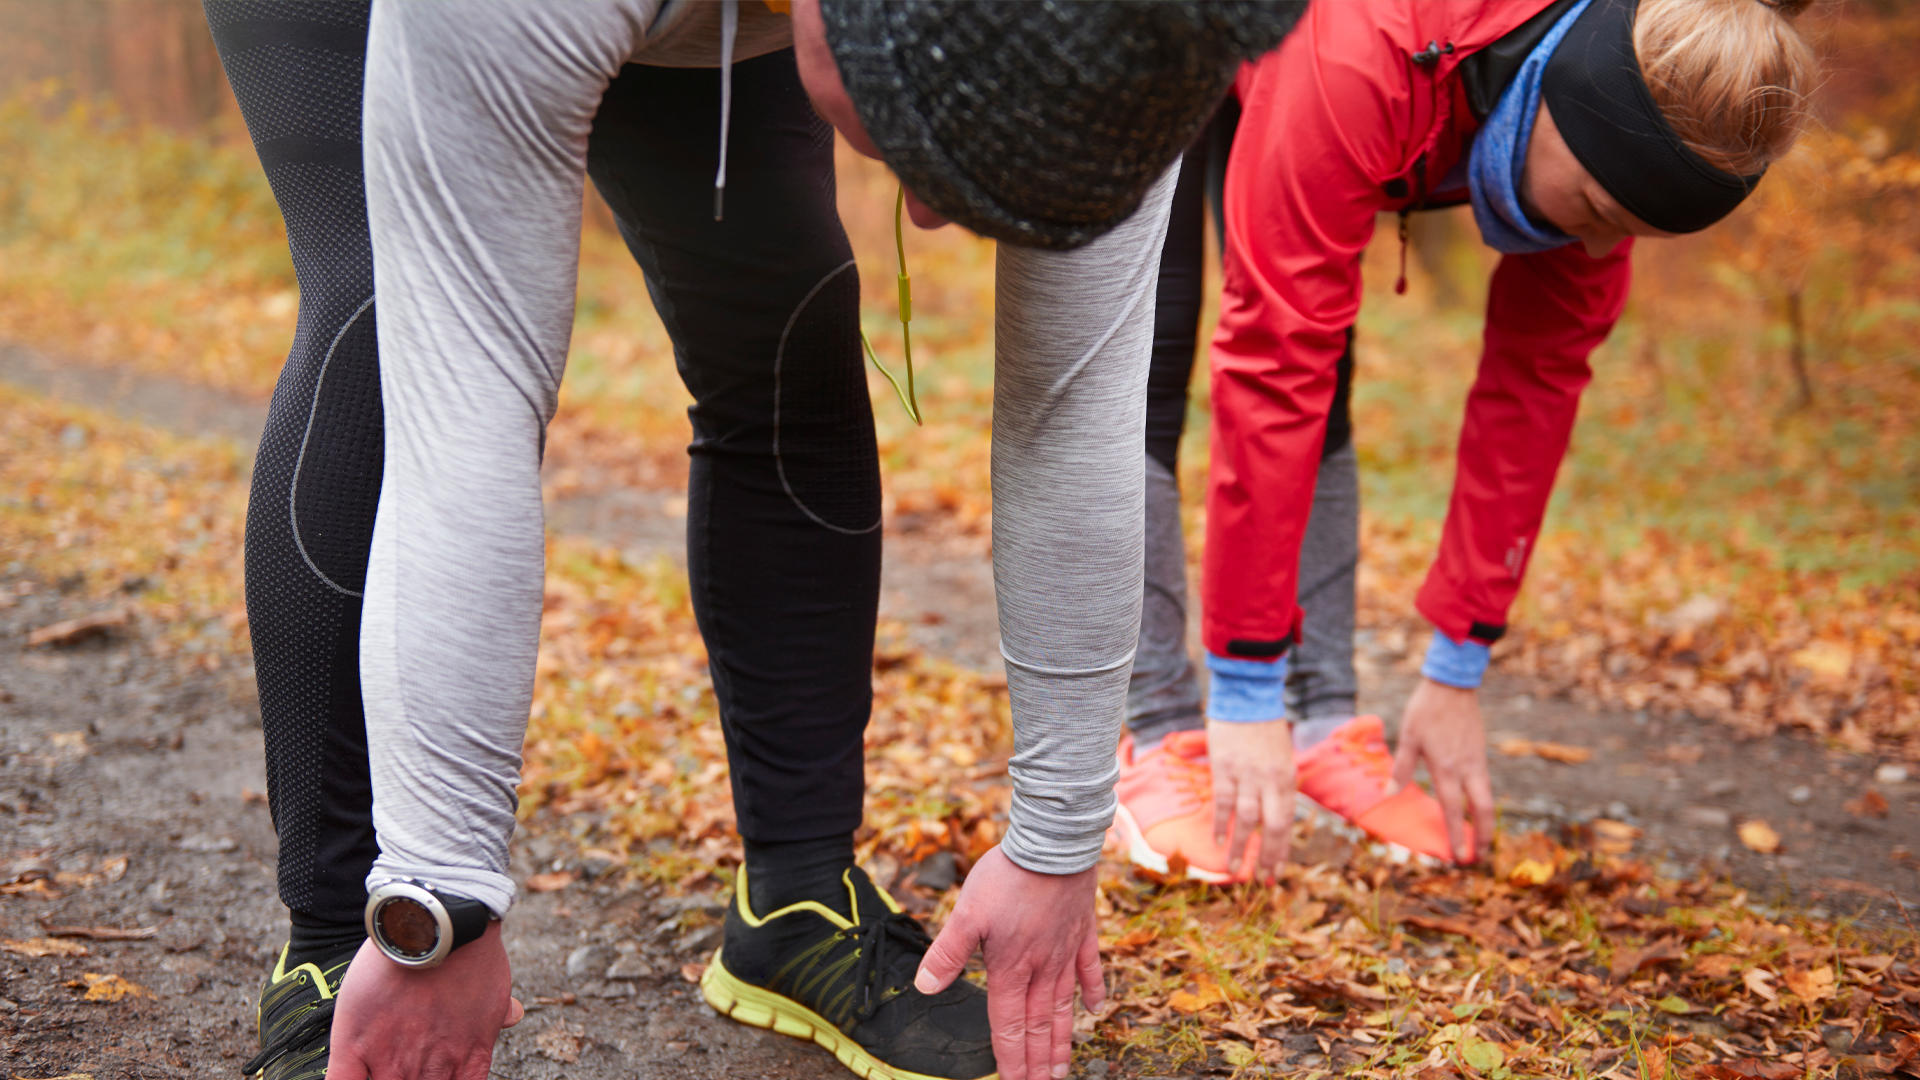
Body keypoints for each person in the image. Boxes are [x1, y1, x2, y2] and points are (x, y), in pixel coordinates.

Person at [204, 3, 1305, 1080]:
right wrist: (434, 905)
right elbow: (468, 413)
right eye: (924, 154)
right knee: (378, 324)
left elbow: (1075, 412)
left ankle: (797, 901)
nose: (927, 214)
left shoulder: (1134, 32)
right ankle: (338, 943)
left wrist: (1060, 843)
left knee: (789, 326)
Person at [1109, 0, 1818, 882]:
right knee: (1146, 354)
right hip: (1167, 30)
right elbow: (1274, 359)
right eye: (1596, 207)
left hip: (1365, 77)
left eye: (1628, 232)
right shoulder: (1365, 61)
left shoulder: (1609, 142)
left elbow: (1532, 398)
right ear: (1558, 97)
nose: (1595, 243)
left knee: (1326, 379)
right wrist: (1242, 686)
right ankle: (1157, 727)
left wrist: (1456, 672)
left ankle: (1322, 719)